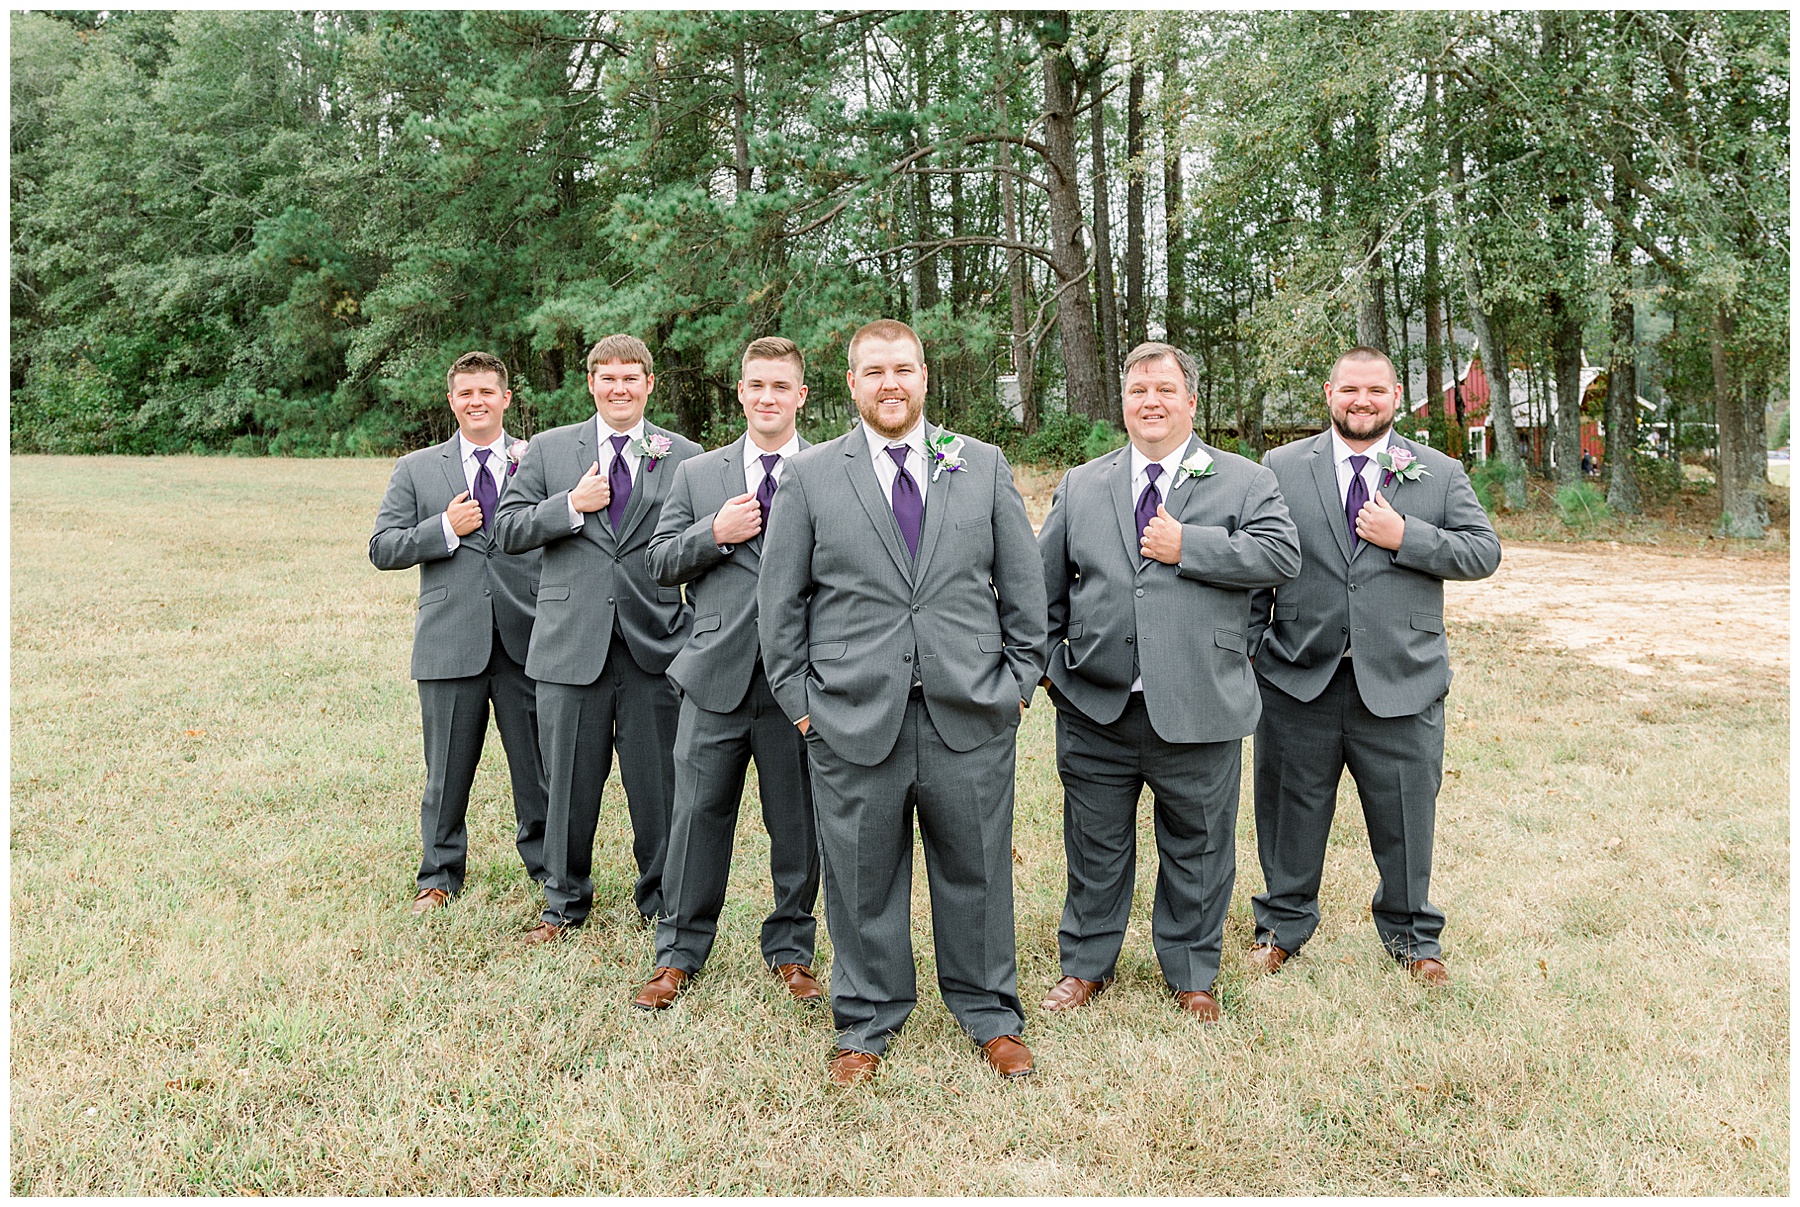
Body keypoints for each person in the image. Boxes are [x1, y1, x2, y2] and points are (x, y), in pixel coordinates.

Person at [758, 319, 1048, 1084]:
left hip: (970, 712)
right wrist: (802, 704)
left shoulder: (980, 465)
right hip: (851, 716)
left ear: (925, 377)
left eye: (904, 369)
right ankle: (865, 1018)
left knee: (979, 872)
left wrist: (1017, 684)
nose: (892, 383)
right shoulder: (813, 476)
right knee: (860, 877)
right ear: (851, 384)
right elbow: (779, 607)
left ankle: (989, 1011)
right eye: (875, 371)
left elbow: (1025, 592)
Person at [1037, 342, 1299, 1022]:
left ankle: (1190, 971)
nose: (1149, 401)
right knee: (1095, 844)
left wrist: (1192, 546)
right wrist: (1049, 669)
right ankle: (1086, 964)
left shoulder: (1243, 481)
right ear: (1122, 402)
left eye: (1163, 389)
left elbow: (1281, 555)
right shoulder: (1083, 483)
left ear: (1189, 400)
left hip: (1200, 700)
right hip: (1097, 703)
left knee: (1200, 845)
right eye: (1136, 390)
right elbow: (1042, 593)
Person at [1247, 346, 1501, 986]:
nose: (1363, 402)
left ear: (1395, 396)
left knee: (1405, 819)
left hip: (1401, 680)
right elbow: (1254, 561)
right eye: (1350, 390)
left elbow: (1482, 552)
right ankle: (1281, 927)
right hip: (1299, 676)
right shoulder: (1278, 467)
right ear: (1328, 393)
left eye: (1377, 392)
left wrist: (1407, 536)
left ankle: (1414, 939)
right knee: (1289, 813)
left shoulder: (1437, 474)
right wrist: (1253, 648)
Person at [632, 337, 822, 1010]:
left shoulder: (831, 472)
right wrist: (714, 531)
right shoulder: (699, 476)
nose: (766, 396)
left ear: (801, 395)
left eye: (780, 386)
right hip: (713, 676)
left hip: (797, 682)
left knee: (797, 823)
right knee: (695, 817)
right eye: (755, 385)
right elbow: (658, 561)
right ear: (739, 392)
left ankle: (792, 949)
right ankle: (679, 952)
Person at [494, 335, 702, 942]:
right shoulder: (549, 451)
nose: (619, 388)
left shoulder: (685, 456)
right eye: (607, 377)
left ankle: (663, 901)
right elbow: (507, 528)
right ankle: (561, 904)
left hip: (654, 646)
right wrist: (569, 505)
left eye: (631, 378)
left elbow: (696, 541)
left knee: (658, 785)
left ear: (649, 384)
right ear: (590, 383)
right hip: (568, 644)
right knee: (565, 785)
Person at [369, 350, 549, 913]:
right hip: (451, 641)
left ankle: (548, 868)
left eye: (487, 392)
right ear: (452, 401)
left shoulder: (535, 459)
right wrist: (443, 527)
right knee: (445, 770)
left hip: (526, 635)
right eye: (466, 393)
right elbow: (383, 547)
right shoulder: (417, 468)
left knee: (536, 768)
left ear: (505, 400)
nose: (477, 401)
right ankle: (439, 874)